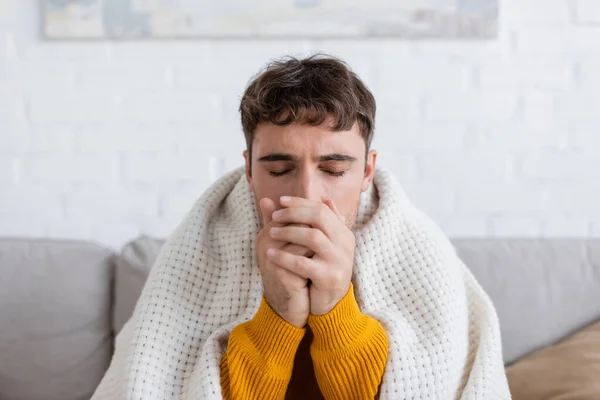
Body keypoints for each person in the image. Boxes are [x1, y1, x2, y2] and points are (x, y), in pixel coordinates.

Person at [92, 54, 511, 399]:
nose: (307, 195)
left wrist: (334, 307)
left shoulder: (418, 248)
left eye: (333, 168)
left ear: (367, 171)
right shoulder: (200, 248)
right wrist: (277, 314)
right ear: (249, 171)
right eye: (279, 169)